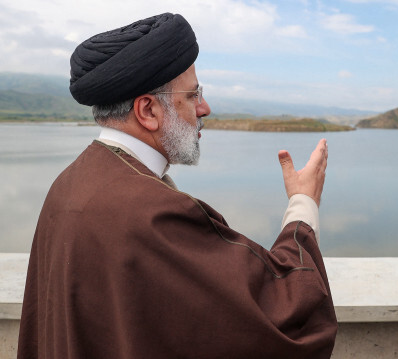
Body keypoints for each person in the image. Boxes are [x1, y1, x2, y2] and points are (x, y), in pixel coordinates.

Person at [18, 13, 337, 359]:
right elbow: (283, 316)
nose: (205, 108)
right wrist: (303, 203)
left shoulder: (66, 185)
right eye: (192, 95)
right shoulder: (152, 214)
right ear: (148, 111)